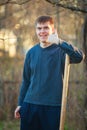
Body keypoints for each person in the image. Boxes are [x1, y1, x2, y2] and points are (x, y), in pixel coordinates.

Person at [14, 16, 84, 130]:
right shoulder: (31, 52)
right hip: (30, 105)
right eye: (39, 28)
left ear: (53, 30)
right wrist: (20, 103)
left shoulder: (62, 51)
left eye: (46, 28)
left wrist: (58, 41)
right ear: (36, 30)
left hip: (53, 106)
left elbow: (79, 57)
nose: (42, 31)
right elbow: (26, 80)